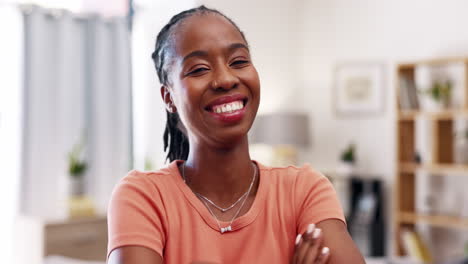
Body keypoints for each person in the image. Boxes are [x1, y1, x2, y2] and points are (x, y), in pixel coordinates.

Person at [107, 5, 365, 264]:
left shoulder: (304, 189)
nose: (226, 79)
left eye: (239, 61)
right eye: (199, 69)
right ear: (168, 97)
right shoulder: (143, 197)